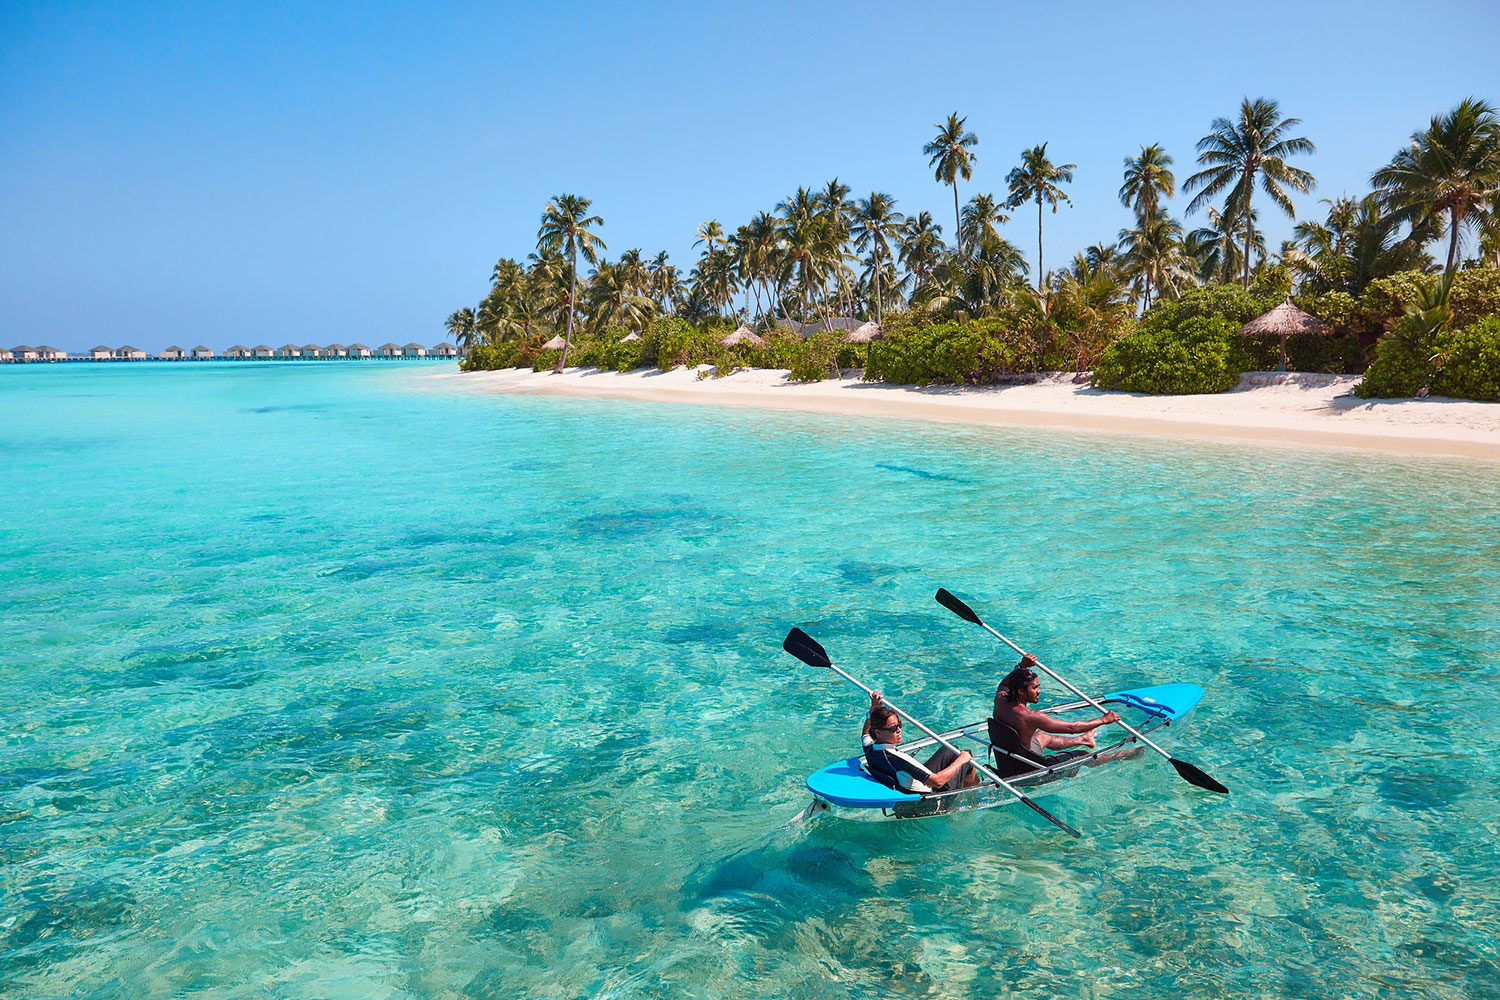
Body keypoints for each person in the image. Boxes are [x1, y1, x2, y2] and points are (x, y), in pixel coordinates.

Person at [989, 653, 1120, 776]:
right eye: (1034, 688)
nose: (1039, 691)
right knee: (1081, 755)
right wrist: (1104, 719)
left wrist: (1022, 666)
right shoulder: (1030, 716)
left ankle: (1084, 740)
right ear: (1021, 692)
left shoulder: (1000, 699)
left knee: (1042, 736)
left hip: (1007, 763)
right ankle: (1125, 756)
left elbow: (1004, 683)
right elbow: (1072, 728)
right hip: (1030, 771)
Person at [861, 690, 978, 794]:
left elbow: (866, 733)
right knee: (966, 757)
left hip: (912, 780)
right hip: (934, 796)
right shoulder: (898, 758)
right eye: (893, 728)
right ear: (878, 732)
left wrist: (873, 708)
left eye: (899, 725)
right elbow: (937, 782)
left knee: (951, 749)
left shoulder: (870, 749)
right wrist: (961, 760)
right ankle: (974, 795)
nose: (899, 730)